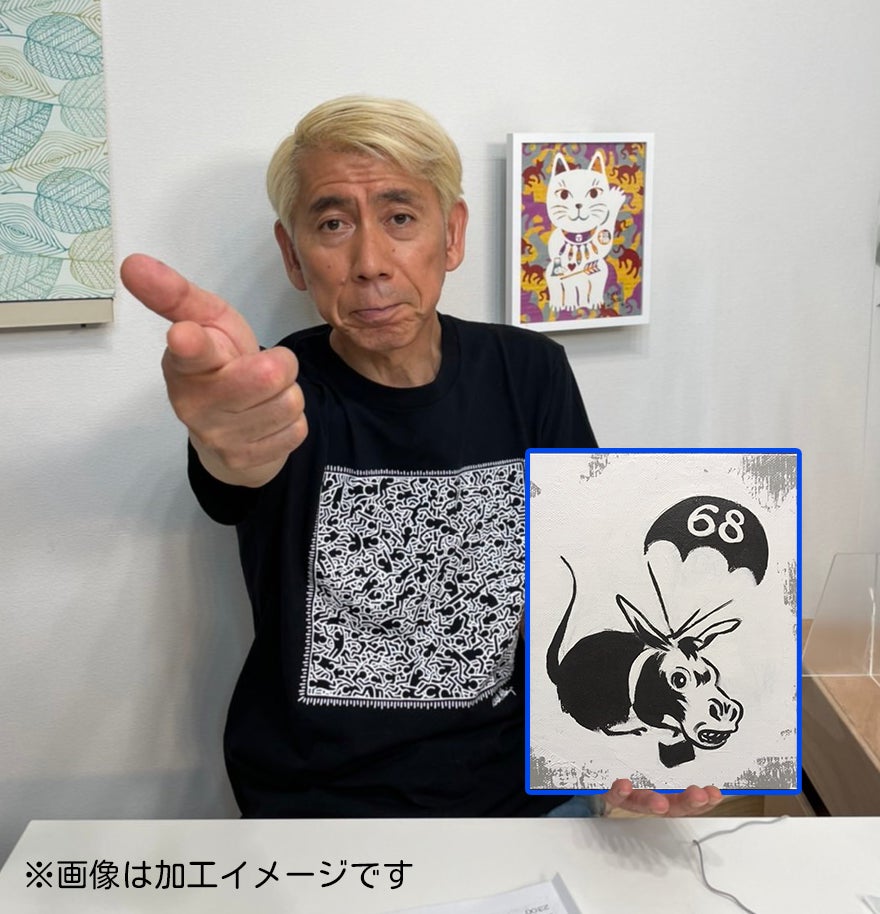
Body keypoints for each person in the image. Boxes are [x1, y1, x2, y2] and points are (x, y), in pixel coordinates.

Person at [121, 95, 722, 819]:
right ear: (292, 254)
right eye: (333, 223)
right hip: (317, 806)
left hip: (522, 794)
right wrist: (227, 446)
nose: (370, 264)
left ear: (453, 233)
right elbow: (231, 470)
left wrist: (620, 762)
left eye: (401, 217)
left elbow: (587, 575)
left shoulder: (530, 372)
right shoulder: (268, 394)